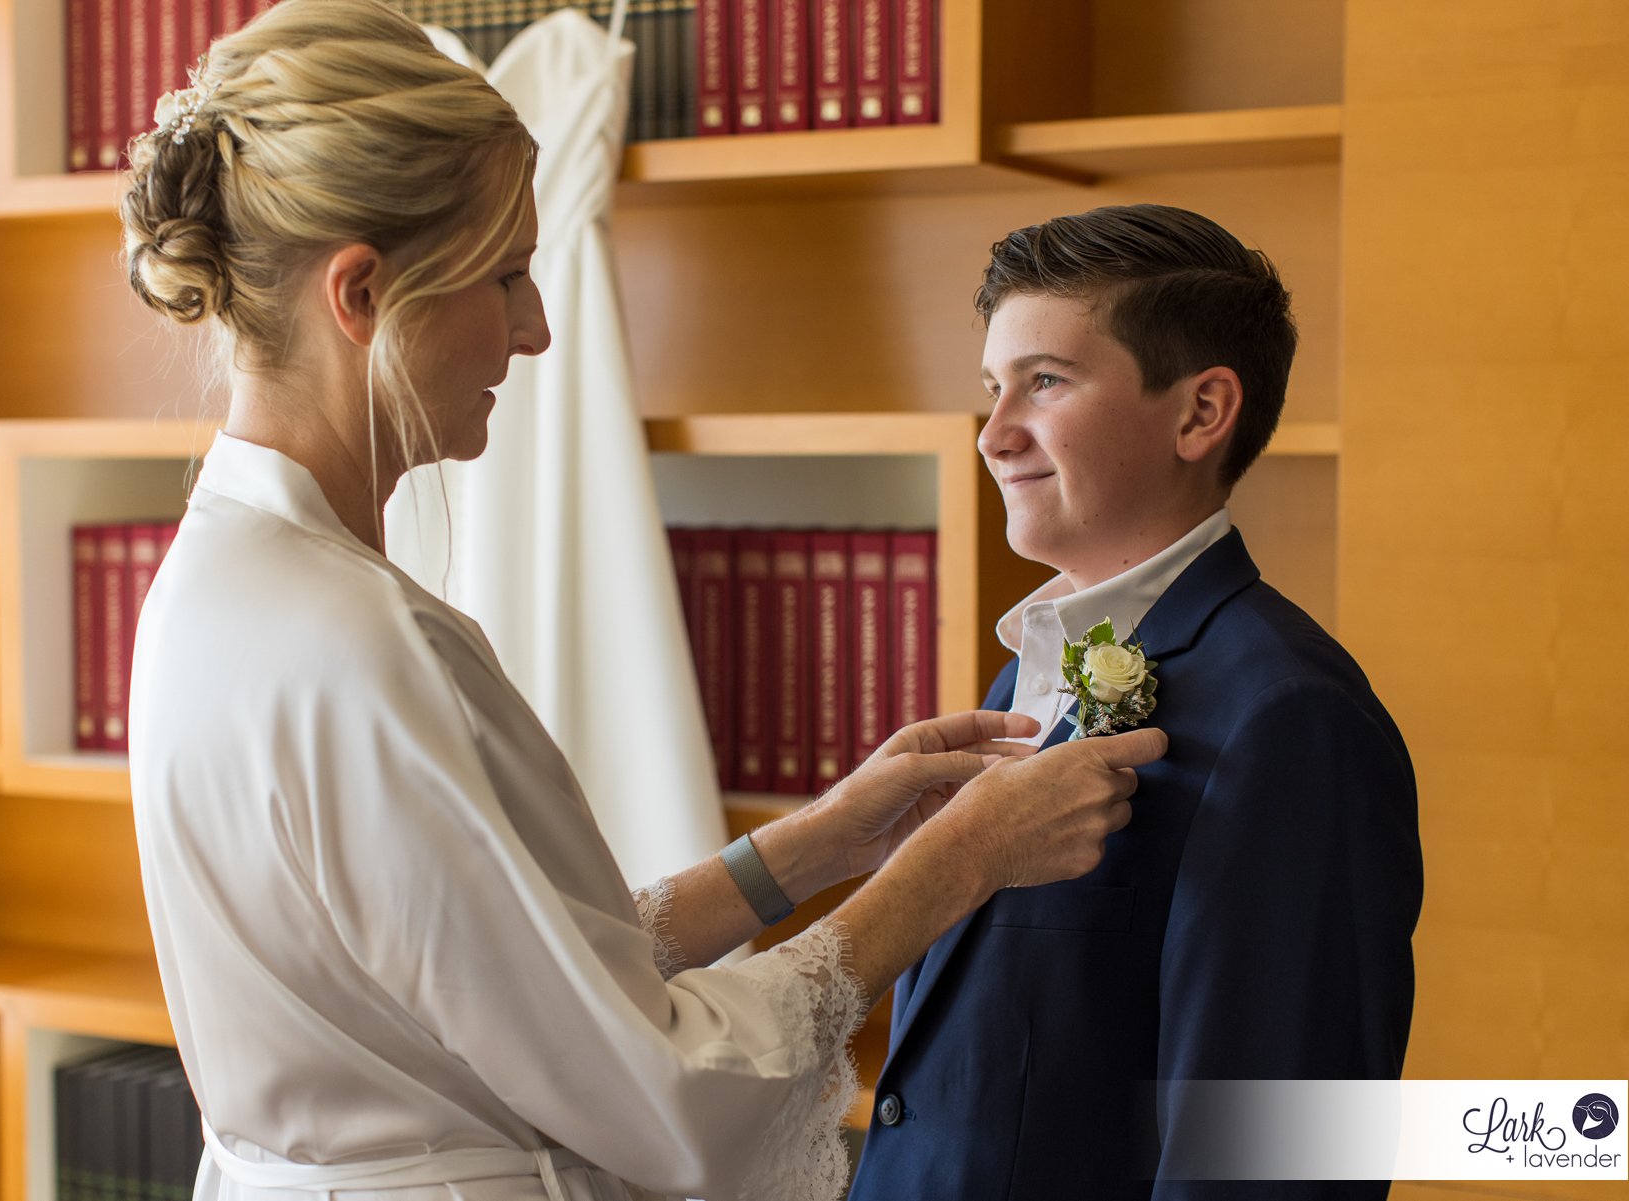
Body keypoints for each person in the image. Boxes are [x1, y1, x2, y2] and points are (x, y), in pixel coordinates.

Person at [119, 5, 1167, 1201]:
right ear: (360, 293)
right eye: (508, 274)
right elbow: (653, 1087)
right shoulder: (355, 641)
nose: (538, 326)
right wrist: (957, 861)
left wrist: (821, 840)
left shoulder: (212, 581)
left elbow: (505, 968)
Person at [846, 205, 1424, 1199]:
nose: (994, 435)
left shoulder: (1291, 718)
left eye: (1046, 382)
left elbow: (1272, 1161)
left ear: (1202, 413)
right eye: (992, 388)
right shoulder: (1035, 667)